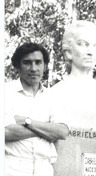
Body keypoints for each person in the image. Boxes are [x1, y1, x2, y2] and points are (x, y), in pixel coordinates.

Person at [4, 43, 69, 176]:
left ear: (45, 66)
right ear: (17, 66)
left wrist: (28, 122)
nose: (33, 68)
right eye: (27, 63)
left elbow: (62, 132)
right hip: (12, 168)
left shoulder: (53, 97)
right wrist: (47, 130)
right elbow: (7, 132)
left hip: (44, 169)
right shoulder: (5, 93)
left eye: (38, 62)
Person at [50, 20, 96, 132]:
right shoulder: (54, 95)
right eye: (83, 44)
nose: (90, 52)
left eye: (94, 46)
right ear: (69, 52)